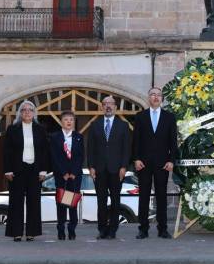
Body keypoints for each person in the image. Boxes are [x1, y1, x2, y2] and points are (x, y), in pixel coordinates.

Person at [132, 87, 178, 239]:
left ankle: (162, 229)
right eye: (153, 94)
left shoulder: (169, 117)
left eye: (158, 95)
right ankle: (143, 229)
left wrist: (171, 160)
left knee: (161, 196)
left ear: (162, 98)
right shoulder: (140, 117)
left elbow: (173, 141)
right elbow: (136, 140)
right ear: (148, 98)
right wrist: (136, 159)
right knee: (144, 196)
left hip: (163, 163)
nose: (156, 97)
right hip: (143, 163)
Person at [3, 100, 49, 241]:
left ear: (34, 113)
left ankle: (31, 233)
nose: (27, 112)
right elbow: (7, 151)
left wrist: (43, 171)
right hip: (17, 170)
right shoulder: (12, 129)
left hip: (35, 170)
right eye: (24, 110)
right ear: (20, 113)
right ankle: (16, 232)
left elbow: (45, 151)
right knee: (16, 201)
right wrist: (7, 170)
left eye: (30, 110)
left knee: (33, 202)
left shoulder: (40, 129)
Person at [87, 95, 131, 239]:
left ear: (115, 107)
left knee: (115, 200)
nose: (108, 106)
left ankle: (113, 229)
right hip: (99, 169)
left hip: (116, 169)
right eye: (105, 104)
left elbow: (126, 148)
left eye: (111, 104)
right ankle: (102, 229)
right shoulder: (95, 125)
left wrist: (124, 166)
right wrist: (91, 166)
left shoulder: (123, 125)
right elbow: (90, 147)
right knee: (101, 200)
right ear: (102, 107)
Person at [49, 111, 84, 240]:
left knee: (72, 203)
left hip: (75, 176)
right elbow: (54, 156)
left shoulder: (79, 137)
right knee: (61, 203)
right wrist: (63, 172)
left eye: (71, 119)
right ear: (61, 122)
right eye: (66, 119)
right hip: (61, 176)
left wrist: (74, 172)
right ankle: (61, 229)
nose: (69, 122)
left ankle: (72, 229)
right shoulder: (55, 137)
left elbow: (81, 156)